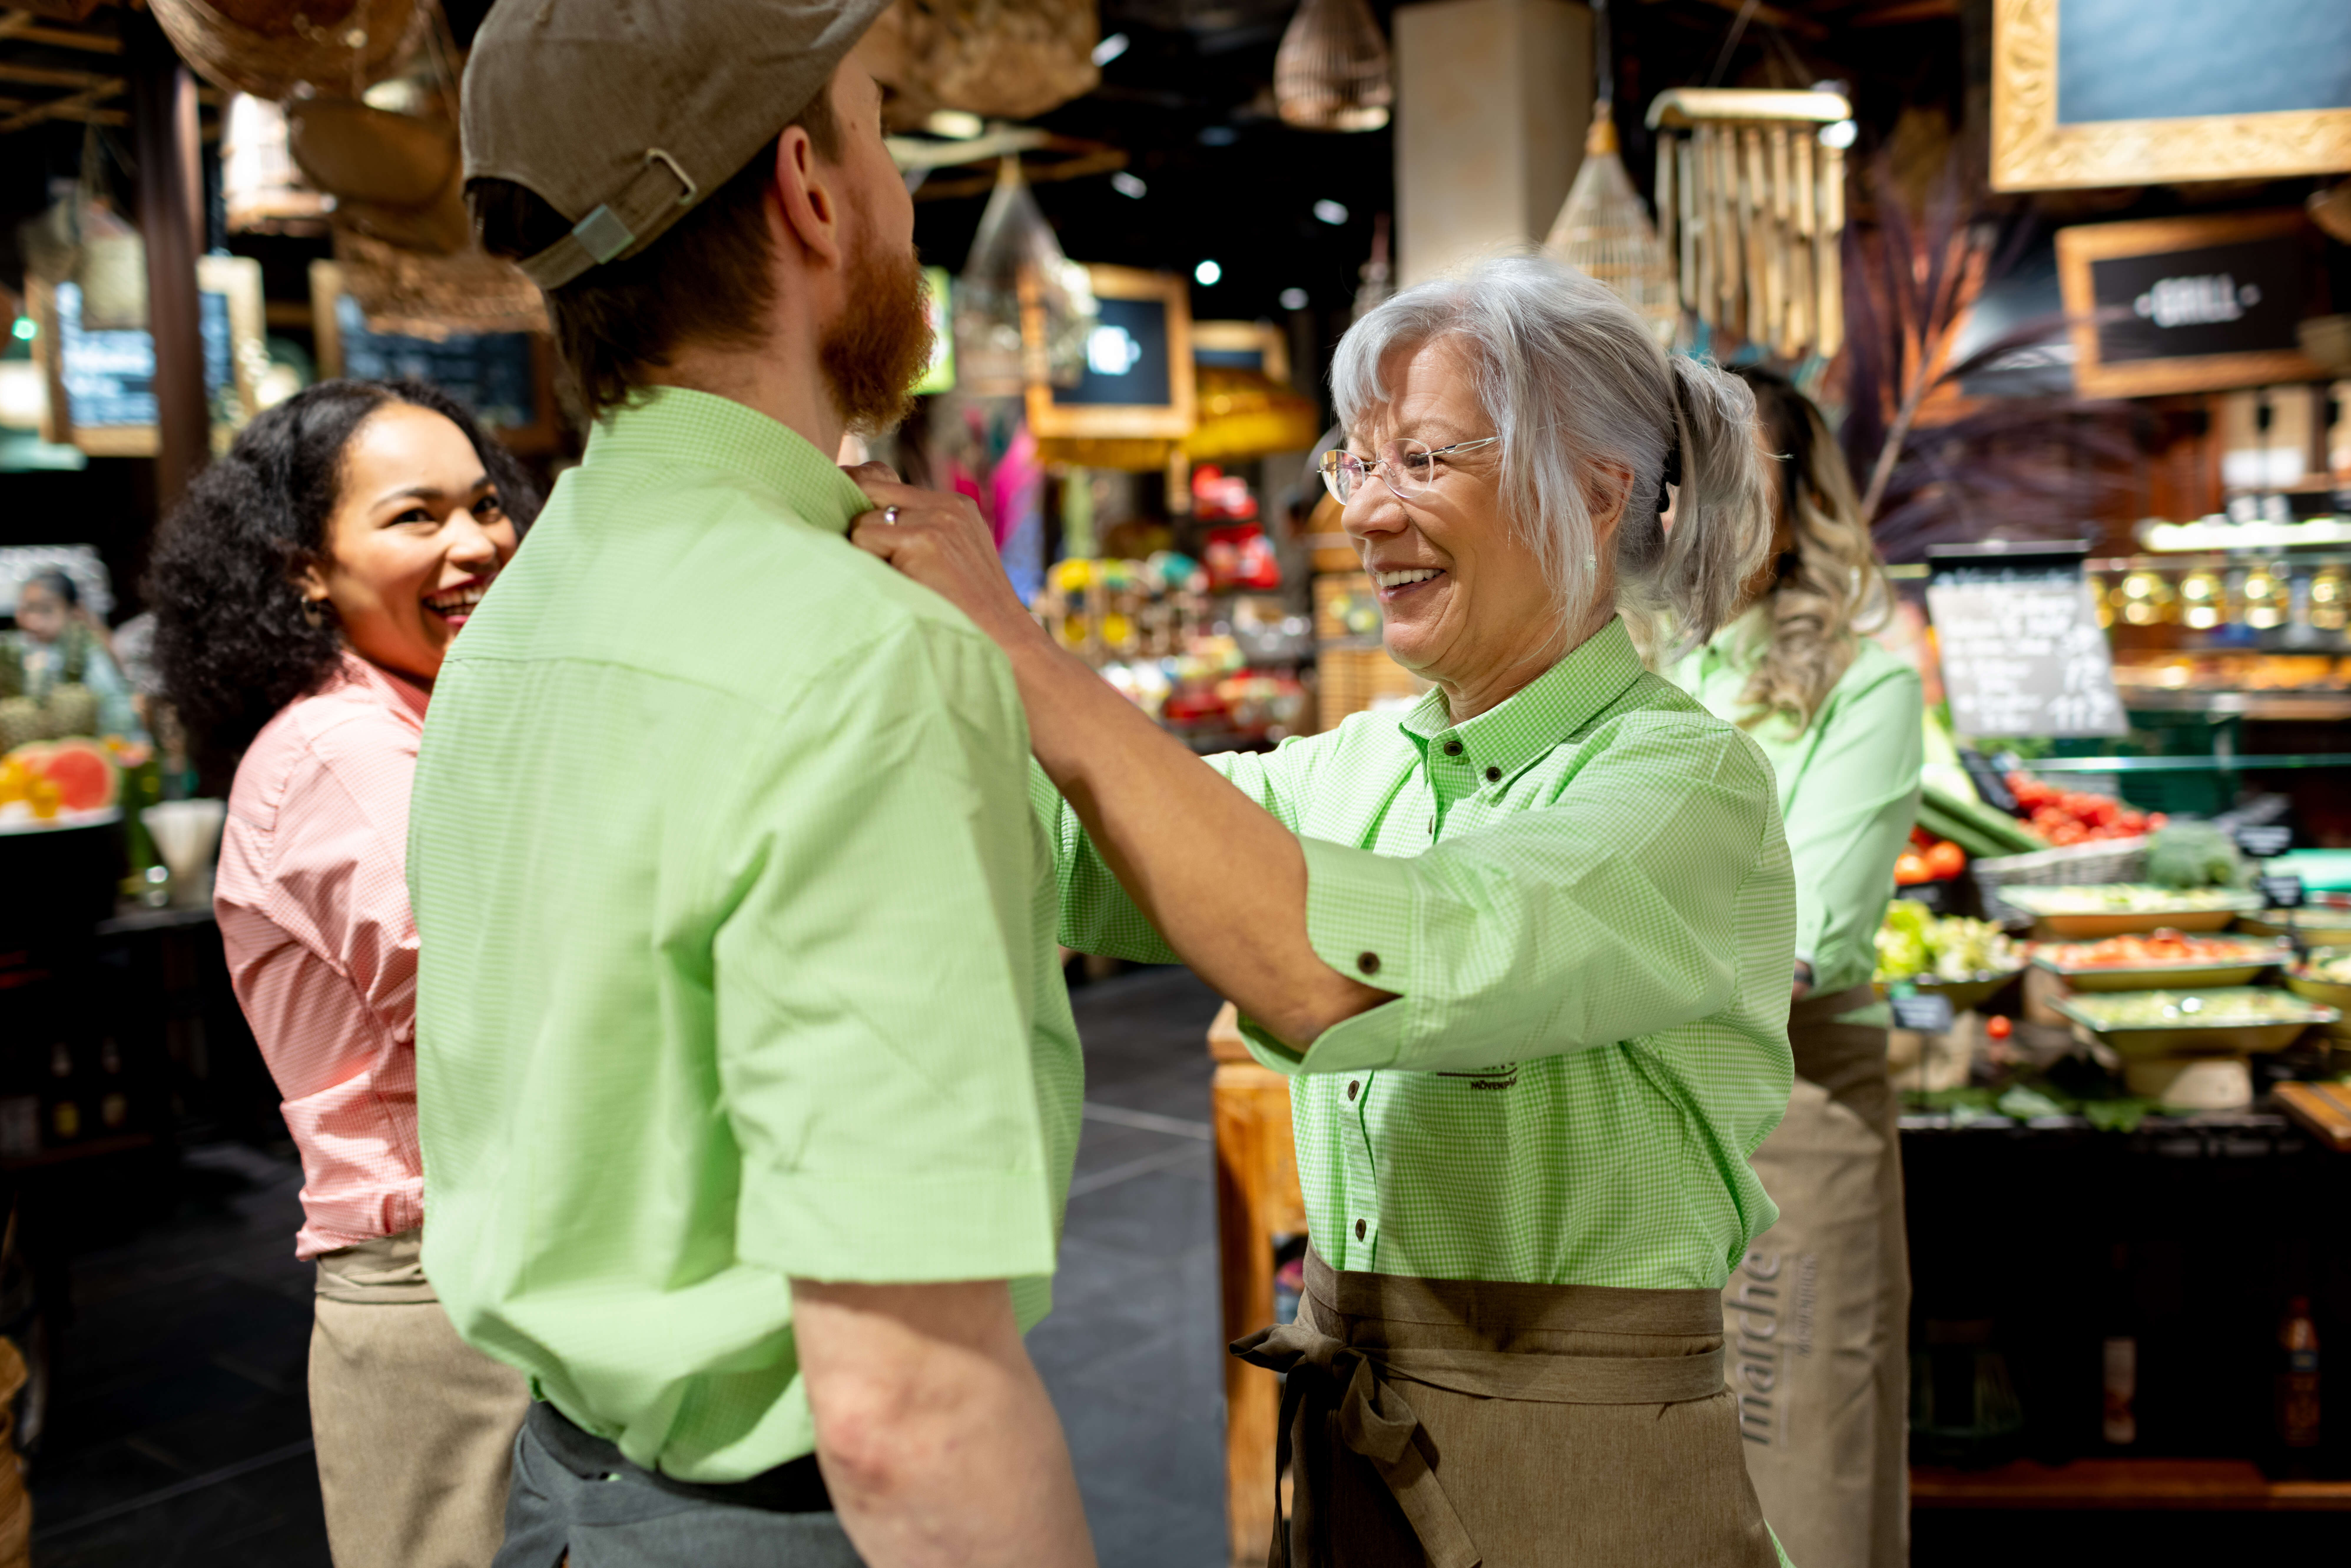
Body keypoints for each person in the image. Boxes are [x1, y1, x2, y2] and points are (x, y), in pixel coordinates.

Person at [855, 252, 1800, 1566]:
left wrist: (1021, 652)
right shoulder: (1355, 765)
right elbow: (1075, 845)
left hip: (1585, 1462)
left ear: (1595, 492)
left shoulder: (1685, 787)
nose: (1363, 513)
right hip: (1359, 1431)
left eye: (1422, 459)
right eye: (1356, 463)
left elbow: (1353, 970)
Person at [409, 4, 1093, 1565]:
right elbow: (904, 1406)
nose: (903, 189)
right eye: (885, 129)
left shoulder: (518, 612)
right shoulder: (860, 655)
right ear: (809, 188)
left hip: (561, 1495)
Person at [144, 377, 542, 1568]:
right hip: (442, 1287)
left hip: (493, 1250)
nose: (475, 542)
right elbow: (506, 988)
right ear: (304, 566)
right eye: (417, 516)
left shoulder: (419, 713)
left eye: (484, 504)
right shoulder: (340, 745)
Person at [1669, 366, 1922, 1568]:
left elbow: (1790, 950)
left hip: (1790, 1103)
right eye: (1672, 476)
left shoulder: (1866, 688)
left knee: (1798, 1458)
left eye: (1727, 474)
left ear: (1792, 496)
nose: (1690, 508)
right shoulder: (1641, 670)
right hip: (1632, 1115)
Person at [7, 569, 143, 741]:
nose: (33, 621)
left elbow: (119, 713)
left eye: (46, 610)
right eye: (27, 609)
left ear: (74, 611)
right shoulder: (15, 651)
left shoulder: (89, 653)